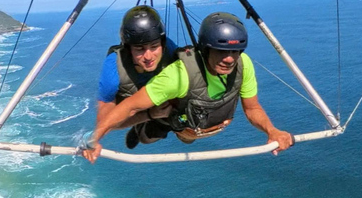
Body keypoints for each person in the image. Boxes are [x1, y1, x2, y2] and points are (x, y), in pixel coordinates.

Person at [83, 12, 294, 162]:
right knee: (152, 133)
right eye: (221, 51)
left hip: (199, 120)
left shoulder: (243, 63)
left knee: (183, 133)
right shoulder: (177, 74)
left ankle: (154, 122)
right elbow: (128, 106)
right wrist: (95, 137)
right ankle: (141, 131)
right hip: (170, 111)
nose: (229, 59)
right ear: (205, 49)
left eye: (235, 52)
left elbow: (253, 108)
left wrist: (272, 130)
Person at [95, 5, 177, 149]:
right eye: (139, 49)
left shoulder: (169, 49)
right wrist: (149, 115)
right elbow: (105, 121)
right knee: (146, 137)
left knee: (160, 131)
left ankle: (143, 130)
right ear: (128, 49)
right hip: (129, 102)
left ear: (162, 44)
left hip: (155, 97)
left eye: (154, 46)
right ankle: (139, 128)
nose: (148, 56)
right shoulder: (114, 69)